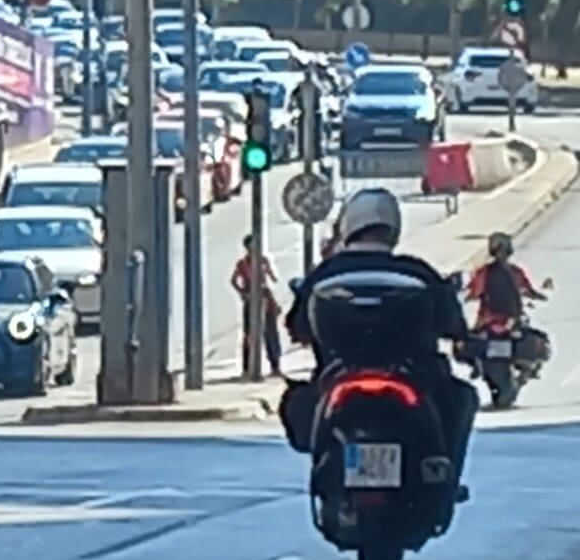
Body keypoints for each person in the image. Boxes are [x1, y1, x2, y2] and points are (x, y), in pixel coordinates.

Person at [281, 188, 476, 492]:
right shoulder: (416, 272)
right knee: (460, 398)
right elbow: (452, 323)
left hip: (337, 378)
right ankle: (443, 476)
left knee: (301, 400)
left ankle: (327, 470)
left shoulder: (326, 274)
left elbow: (297, 327)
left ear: (349, 225)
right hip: (415, 378)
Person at [466, 231, 549, 331]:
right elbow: (527, 290)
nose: (501, 254)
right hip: (507, 320)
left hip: (491, 320)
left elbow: (474, 292)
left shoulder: (485, 271)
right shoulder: (514, 271)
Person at [231, 234, 283, 377]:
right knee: (250, 334)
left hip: (265, 297)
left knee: (271, 333)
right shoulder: (243, 263)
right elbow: (233, 280)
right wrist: (243, 293)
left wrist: (269, 276)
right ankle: (247, 368)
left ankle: (275, 365)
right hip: (251, 299)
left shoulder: (263, 260)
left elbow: (273, 278)